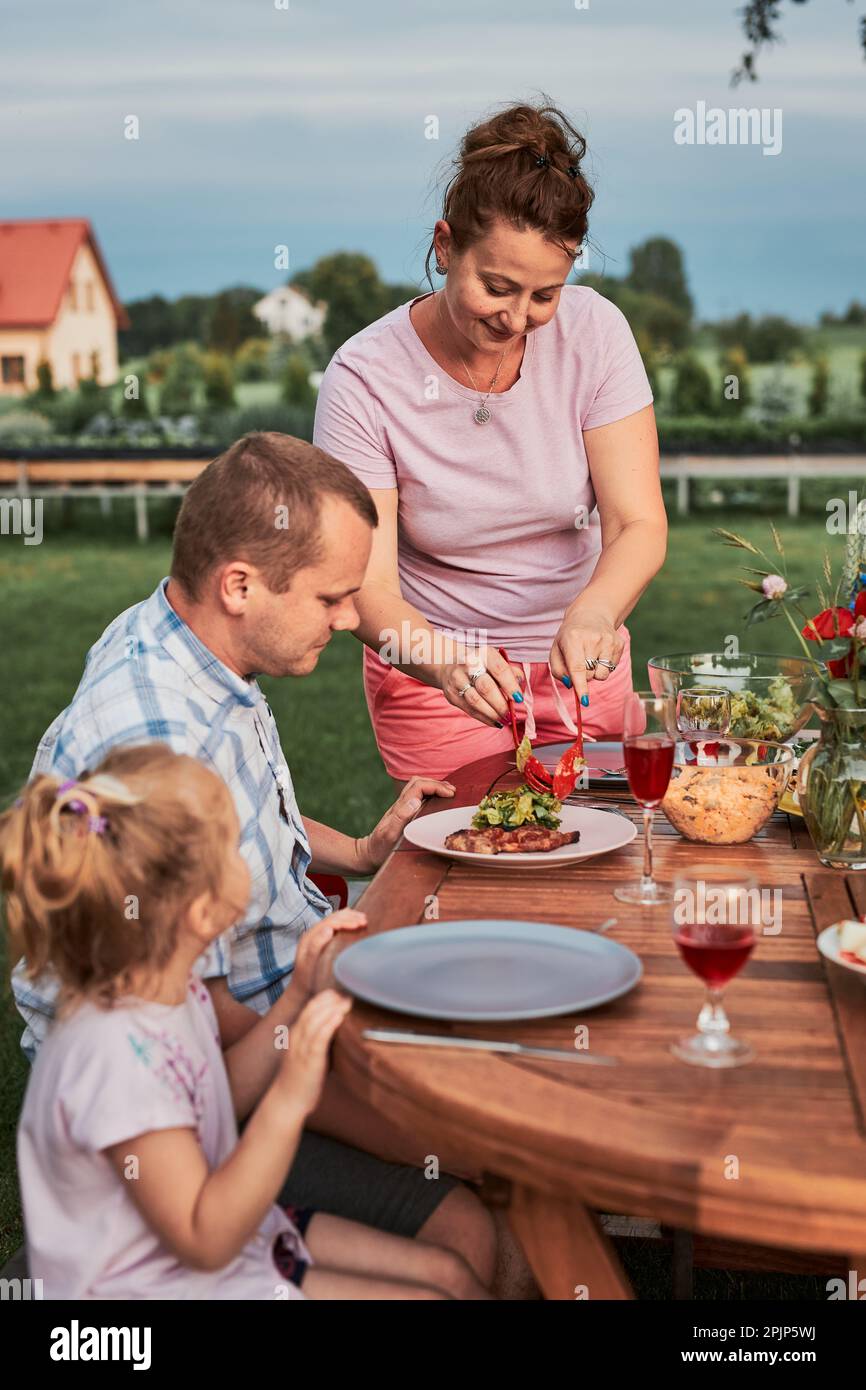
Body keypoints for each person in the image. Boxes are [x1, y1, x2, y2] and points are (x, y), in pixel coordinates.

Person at [10, 430, 530, 1296]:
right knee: (478, 1168)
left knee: (482, 1070)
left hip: (255, 1018)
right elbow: (199, 1019)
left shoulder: (190, 642)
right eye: (332, 598)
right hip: (192, 1086)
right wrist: (385, 1090)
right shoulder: (159, 743)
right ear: (240, 585)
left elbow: (255, 822)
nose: (350, 619)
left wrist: (364, 852)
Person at [1, 745, 491, 1299]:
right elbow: (204, 1237)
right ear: (200, 909)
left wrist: (298, 995)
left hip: (223, 1239)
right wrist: (292, 1096)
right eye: (232, 845)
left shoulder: (164, 987)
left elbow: (218, 1097)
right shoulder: (114, 1060)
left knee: (450, 1278)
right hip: (162, 1283)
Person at [313, 99, 668, 789]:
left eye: (544, 296)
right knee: (474, 868)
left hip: (584, 669)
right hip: (440, 678)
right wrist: (446, 661)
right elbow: (369, 585)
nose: (517, 319)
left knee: (597, 869)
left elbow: (638, 524)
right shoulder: (363, 377)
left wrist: (593, 614)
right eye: (497, 287)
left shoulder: (597, 334)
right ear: (445, 247)